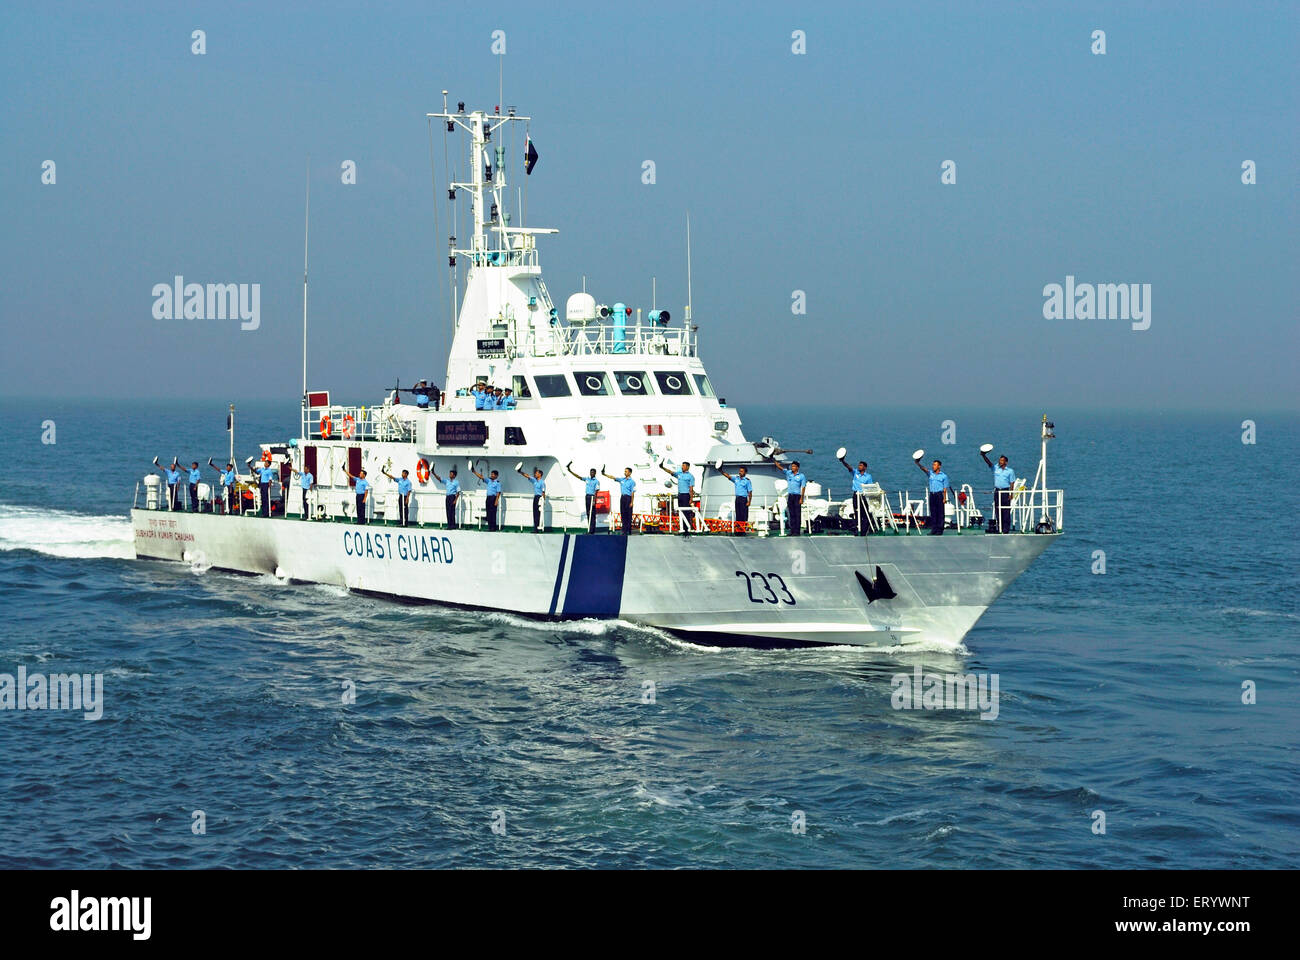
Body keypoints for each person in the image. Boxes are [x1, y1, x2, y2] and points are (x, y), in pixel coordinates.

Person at [839, 454, 877, 535]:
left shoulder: (868, 476)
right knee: (856, 511)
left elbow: (870, 487)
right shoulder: (855, 473)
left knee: (864, 512)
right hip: (856, 495)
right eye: (859, 465)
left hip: (863, 496)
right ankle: (857, 527)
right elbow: (848, 467)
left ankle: (865, 528)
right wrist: (843, 461)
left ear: (865, 467)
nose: (859, 466)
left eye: (861, 465)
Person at [981, 449, 1017, 534]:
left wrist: (1011, 494)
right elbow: (988, 463)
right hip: (997, 491)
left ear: (1006, 462)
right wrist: (983, 455)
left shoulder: (1010, 471)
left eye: (1002, 461)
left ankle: (1006, 529)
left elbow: (1012, 483)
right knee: (998, 510)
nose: (1000, 462)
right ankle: (999, 527)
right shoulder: (995, 468)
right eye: (999, 460)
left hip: (1005, 492)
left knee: (1006, 511)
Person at [659, 459, 696, 534]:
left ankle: (687, 529)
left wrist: (691, 499)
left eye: (684, 465)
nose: (682, 467)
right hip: (680, 495)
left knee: (686, 511)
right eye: (682, 465)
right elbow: (671, 472)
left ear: (688, 467)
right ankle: (682, 528)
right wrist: (663, 467)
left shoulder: (690, 476)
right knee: (680, 511)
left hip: (686, 495)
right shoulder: (679, 474)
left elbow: (691, 488)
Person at [915, 458, 950, 535]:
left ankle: (940, 530)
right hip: (932, 494)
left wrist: (944, 498)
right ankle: (933, 529)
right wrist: (918, 463)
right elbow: (924, 469)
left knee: (940, 513)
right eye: (933, 464)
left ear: (939, 466)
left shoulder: (944, 476)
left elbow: (945, 489)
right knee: (933, 512)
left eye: (935, 465)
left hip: (939, 495)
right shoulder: (931, 474)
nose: (933, 466)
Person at [717, 464, 753, 535]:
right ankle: (738, 531)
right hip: (737, 499)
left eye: (742, 471)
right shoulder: (736, 479)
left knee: (744, 515)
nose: (740, 472)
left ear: (745, 472)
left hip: (743, 499)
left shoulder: (747, 481)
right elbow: (728, 476)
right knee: (738, 515)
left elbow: (750, 492)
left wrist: (749, 501)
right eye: (740, 471)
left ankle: (743, 531)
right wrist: (721, 470)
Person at [567, 462, 602, 534]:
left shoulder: (596, 481)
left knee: (592, 514)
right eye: (591, 472)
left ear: (595, 473)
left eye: (593, 472)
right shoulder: (587, 479)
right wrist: (570, 470)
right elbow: (579, 477)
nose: (591, 473)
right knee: (588, 513)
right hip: (587, 496)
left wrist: (594, 501)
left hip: (592, 497)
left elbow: (596, 492)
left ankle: (592, 530)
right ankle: (589, 529)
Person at [603, 466, 636, 534]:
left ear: (630, 473)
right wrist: (604, 474)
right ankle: (624, 530)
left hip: (628, 498)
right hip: (623, 497)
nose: (625, 472)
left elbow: (632, 492)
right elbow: (613, 477)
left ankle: (629, 530)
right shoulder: (622, 480)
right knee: (623, 514)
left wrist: (632, 502)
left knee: (628, 514)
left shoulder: (632, 482)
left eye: (626, 471)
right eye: (624, 471)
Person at [471, 465, 502, 530]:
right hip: (488, 498)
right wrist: (474, 472)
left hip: (494, 498)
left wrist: (496, 501)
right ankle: (489, 527)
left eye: (493, 474)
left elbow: (498, 492)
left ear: (496, 476)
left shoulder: (498, 483)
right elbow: (481, 477)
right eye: (491, 474)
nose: (491, 475)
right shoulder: (489, 481)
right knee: (488, 513)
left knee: (493, 513)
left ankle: (493, 528)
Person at [430, 464, 460, 529]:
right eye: (450, 473)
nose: (450, 475)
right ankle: (449, 525)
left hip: (452, 497)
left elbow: (458, 492)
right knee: (448, 511)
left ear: (454, 475)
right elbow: (439, 479)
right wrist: (434, 473)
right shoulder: (447, 481)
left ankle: (453, 525)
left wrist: (455, 500)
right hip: (448, 497)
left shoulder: (456, 482)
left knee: (452, 512)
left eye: (451, 474)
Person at [782, 460, 808, 536]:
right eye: (792, 466)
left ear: (797, 467)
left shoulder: (801, 476)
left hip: (797, 496)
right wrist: (774, 461)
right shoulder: (789, 473)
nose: (792, 467)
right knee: (791, 514)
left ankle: (797, 531)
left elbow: (803, 487)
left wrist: (801, 498)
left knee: (797, 514)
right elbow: (781, 468)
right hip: (790, 496)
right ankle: (792, 530)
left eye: (794, 466)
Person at [517, 465, 546, 531]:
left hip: (540, 498)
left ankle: (538, 528)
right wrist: (520, 472)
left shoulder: (542, 482)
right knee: (535, 512)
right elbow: (527, 476)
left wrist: (544, 501)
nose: (535, 474)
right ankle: (535, 527)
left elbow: (543, 492)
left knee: (538, 513)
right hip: (535, 497)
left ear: (540, 474)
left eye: (536, 473)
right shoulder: (534, 480)